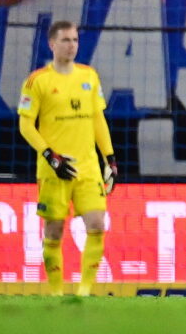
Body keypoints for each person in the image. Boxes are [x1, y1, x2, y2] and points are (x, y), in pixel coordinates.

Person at [17, 19, 117, 295]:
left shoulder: (89, 76)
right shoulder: (37, 81)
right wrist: (51, 156)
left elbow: (98, 119)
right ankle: (57, 293)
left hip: (87, 167)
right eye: (65, 40)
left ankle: (84, 293)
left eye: (75, 40)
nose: (71, 45)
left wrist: (110, 159)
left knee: (97, 224)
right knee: (54, 231)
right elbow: (25, 125)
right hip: (54, 169)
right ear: (52, 44)